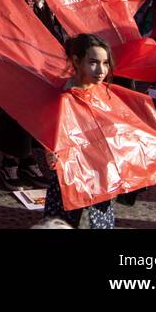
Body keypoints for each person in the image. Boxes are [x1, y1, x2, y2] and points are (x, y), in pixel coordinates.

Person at [41, 34, 118, 229]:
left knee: (100, 225)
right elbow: (49, 131)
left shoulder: (106, 92)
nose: (101, 70)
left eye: (105, 63)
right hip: (70, 175)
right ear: (76, 60)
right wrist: (50, 151)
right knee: (61, 223)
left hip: (101, 174)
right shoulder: (62, 98)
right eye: (93, 62)